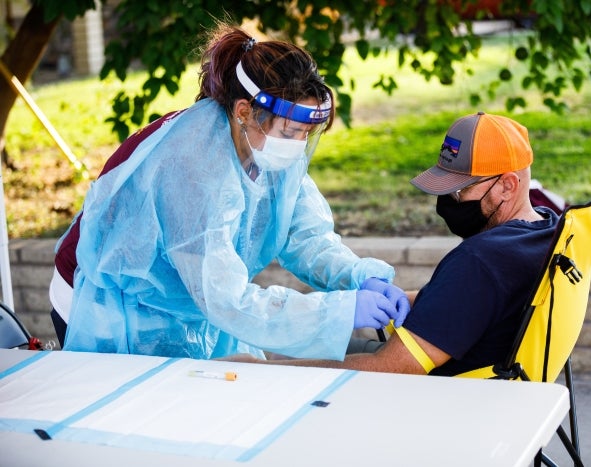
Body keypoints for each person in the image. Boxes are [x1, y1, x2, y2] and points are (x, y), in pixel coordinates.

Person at [49, 24, 410, 360]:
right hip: (106, 305)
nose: (297, 146)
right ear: (244, 112)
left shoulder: (260, 146)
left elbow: (307, 238)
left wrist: (359, 275)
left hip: (183, 301)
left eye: (305, 134)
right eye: (288, 133)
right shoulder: (191, 166)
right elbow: (227, 300)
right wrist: (339, 312)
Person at [223, 111, 560, 376]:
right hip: (486, 375)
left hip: (434, 398)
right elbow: (460, 303)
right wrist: (366, 299)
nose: (450, 199)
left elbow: (394, 367)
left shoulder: (482, 261)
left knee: (285, 358)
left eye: (461, 188)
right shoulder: (545, 229)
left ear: (507, 185)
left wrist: (264, 371)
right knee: (305, 346)